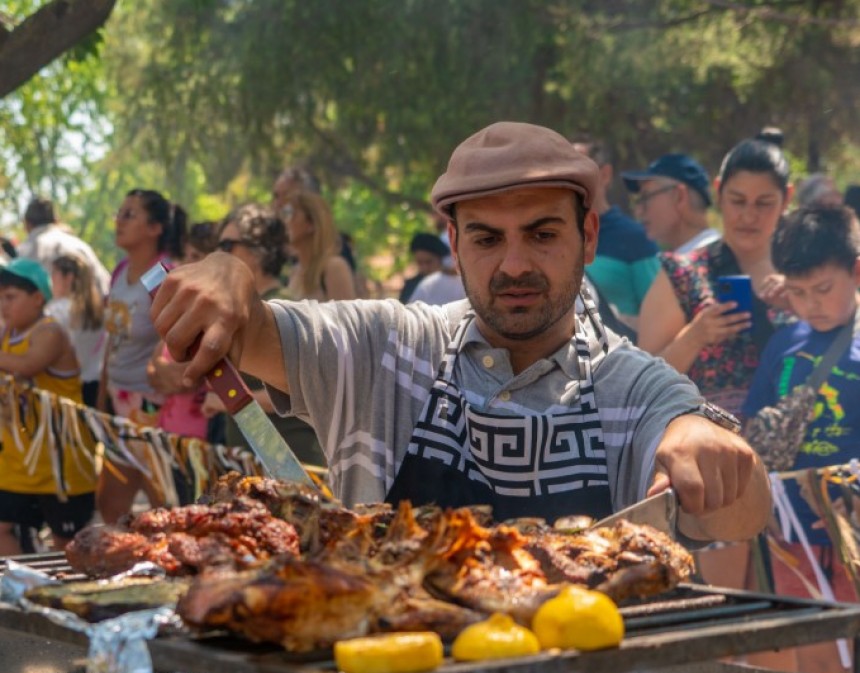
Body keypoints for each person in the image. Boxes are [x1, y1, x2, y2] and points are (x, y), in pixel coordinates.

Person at [152, 121, 769, 543]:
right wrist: (228, 276)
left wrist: (699, 435)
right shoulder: (386, 350)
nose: (515, 264)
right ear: (455, 243)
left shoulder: (633, 386)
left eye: (543, 233)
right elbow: (255, 331)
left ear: (589, 237)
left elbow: (744, 515)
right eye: (486, 238)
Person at [742, 203, 860, 673]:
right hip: (793, 533)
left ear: (856, 271)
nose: (812, 303)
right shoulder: (783, 343)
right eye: (798, 292)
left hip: (853, 526)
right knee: (814, 648)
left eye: (824, 290)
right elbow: (755, 422)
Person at [638, 136, 794, 417]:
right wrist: (694, 336)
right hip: (704, 450)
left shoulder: (804, 276)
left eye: (764, 203)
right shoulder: (682, 274)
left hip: (794, 451)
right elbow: (638, 382)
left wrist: (802, 306)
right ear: (719, 193)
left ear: (787, 200)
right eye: (738, 201)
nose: (748, 215)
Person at [199, 202, 325, 468]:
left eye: (227, 246)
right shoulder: (243, 309)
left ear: (258, 252)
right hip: (255, 463)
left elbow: (302, 393)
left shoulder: (280, 309)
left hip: (294, 466)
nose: (218, 255)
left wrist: (226, 399)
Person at [98, 189, 187, 523]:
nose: (119, 221)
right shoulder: (120, 270)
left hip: (153, 405)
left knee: (163, 503)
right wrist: (102, 397)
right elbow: (113, 338)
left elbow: (175, 341)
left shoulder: (163, 274)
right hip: (117, 402)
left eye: (129, 214)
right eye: (119, 213)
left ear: (155, 228)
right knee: (110, 505)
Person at [0, 258, 96, 555]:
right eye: (0, 297)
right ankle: (23, 591)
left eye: (11, 297)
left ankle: (66, 599)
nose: (3, 304)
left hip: (60, 462)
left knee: (66, 545)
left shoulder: (50, 331)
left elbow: (27, 366)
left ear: (38, 298)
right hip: (19, 460)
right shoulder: (7, 334)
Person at [569, 136, 661, 333]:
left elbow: (662, 316)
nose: (569, 180)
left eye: (578, 170)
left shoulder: (636, 239)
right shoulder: (553, 237)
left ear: (605, 174)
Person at [621, 153, 721, 253]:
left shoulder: (713, 259)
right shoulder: (710, 255)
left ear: (679, 197)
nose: (639, 211)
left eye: (646, 198)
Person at [17, 197, 111, 297]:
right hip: (92, 309)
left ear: (27, 224)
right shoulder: (81, 246)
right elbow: (106, 289)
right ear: (56, 220)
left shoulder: (24, 252)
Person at [48, 253, 106, 408]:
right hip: (96, 385)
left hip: (66, 389)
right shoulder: (99, 311)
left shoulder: (56, 310)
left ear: (69, 278)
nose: (51, 280)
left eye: (54, 274)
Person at [282, 191, 356, 301]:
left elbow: (346, 317)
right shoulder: (295, 270)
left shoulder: (334, 267)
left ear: (311, 223)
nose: (285, 221)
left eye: (291, 214)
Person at [399, 232, 448, 303]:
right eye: (420, 263)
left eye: (429, 262)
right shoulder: (411, 287)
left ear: (440, 260)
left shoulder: (453, 284)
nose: (424, 268)